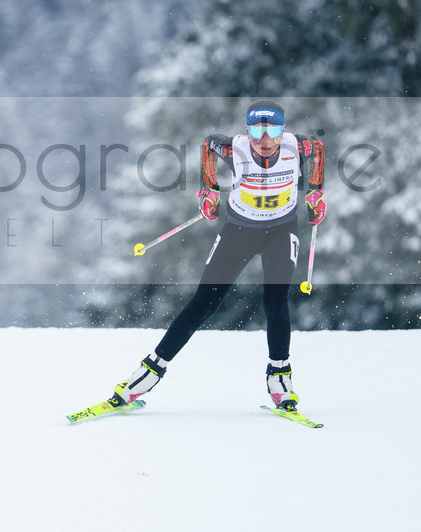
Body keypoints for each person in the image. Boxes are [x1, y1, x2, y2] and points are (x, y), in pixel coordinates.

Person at [109, 99, 326, 411]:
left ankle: (279, 377)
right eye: (256, 131)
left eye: (273, 131)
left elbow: (317, 147)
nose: (264, 140)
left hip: (281, 231)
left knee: (275, 300)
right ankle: (146, 375)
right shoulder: (235, 149)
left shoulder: (298, 147)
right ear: (247, 131)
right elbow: (210, 144)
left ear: (283, 130)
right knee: (204, 302)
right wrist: (208, 190)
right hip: (240, 231)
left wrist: (316, 191)